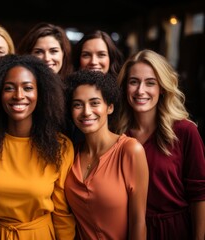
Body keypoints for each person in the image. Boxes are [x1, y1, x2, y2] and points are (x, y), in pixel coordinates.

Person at [0, 54, 76, 239]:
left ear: (41, 93)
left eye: (28, 88)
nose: (19, 96)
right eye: (9, 88)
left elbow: (62, 212)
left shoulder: (60, 146)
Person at [116, 49, 205, 240]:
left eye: (150, 83)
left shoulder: (185, 131)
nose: (141, 90)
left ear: (162, 88)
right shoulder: (117, 133)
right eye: (134, 82)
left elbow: (199, 195)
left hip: (173, 231)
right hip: (126, 230)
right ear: (125, 87)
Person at [64, 70, 149, 240]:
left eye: (94, 103)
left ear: (109, 107)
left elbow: (138, 222)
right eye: (78, 104)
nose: (86, 112)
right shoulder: (70, 154)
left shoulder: (130, 150)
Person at [68, 29, 124, 145]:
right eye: (86, 55)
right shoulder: (67, 94)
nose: (93, 61)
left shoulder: (124, 96)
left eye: (101, 55)